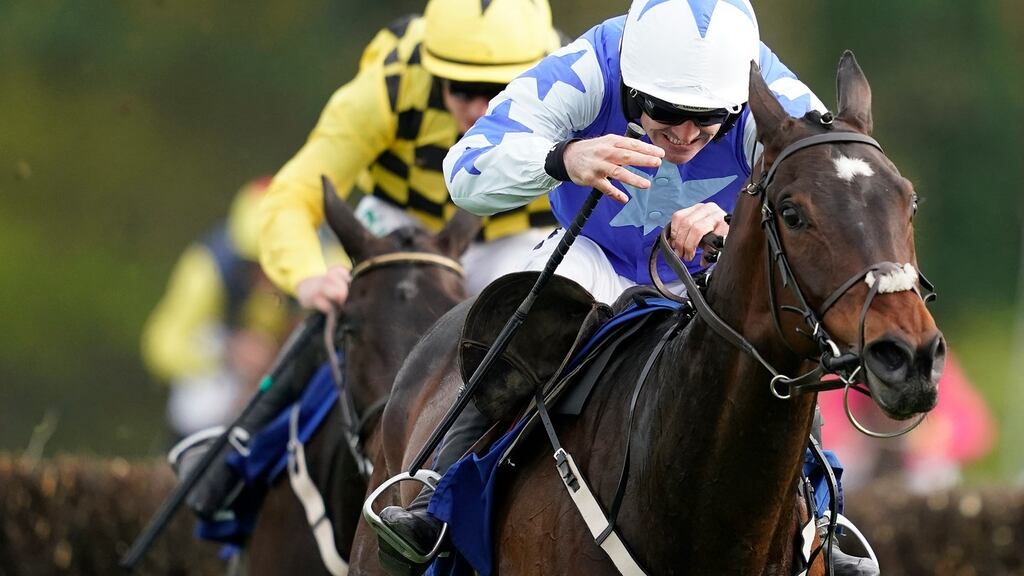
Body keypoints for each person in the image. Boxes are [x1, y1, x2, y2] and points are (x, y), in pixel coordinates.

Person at [378, 1, 879, 574]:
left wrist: (735, 223)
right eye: (664, 112)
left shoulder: (764, 85)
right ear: (632, 85)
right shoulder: (592, 65)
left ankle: (822, 520)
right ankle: (435, 499)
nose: (684, 135)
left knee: (783, 342)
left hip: (710, 273)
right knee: (527, 315)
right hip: (595, 258)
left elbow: (838, 197)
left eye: (709, 119)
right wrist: (563, 157)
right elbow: (466, 169)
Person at [184, 0, 565, 520]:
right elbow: (293, 193)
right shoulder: (389, 83)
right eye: (461, 89)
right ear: (433, 71)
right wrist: (307, 275)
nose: (478, 110)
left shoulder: (573, 81)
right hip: (405, 225)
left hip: (518, 234)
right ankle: (237, 453)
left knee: (535, 331)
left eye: (496, 90)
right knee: (339, 312)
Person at [142, 178, 298, 442]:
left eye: (276, 264)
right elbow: (161, 347)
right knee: (204, 395)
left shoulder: (324, 261)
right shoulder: (207, 269)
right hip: (227, 381)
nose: (267, 278)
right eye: (255, 264)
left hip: (286, 376)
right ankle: (195, 457)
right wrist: (229, 352)